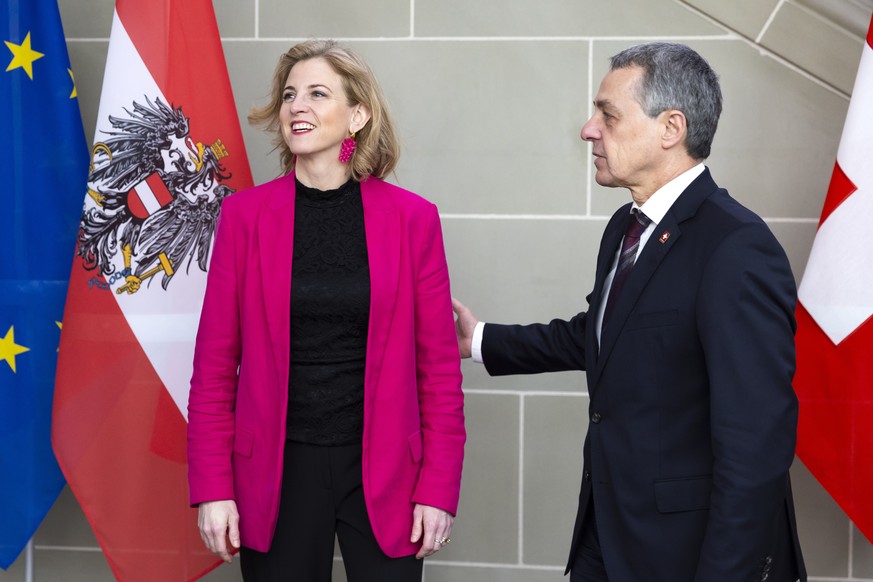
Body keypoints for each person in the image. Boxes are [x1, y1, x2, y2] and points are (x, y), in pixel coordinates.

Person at [453, 42, 806, 581]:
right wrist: (479, 339)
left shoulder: (736, 247)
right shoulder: (626, 226)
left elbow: (756, 447)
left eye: (608, 114)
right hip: (609, 535)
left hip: (688, 554)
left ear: (671, 128)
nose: (588, 130)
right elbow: (606, 335)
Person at [187, 39, 465, 582]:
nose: (298, 106)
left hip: (388, 471)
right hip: (276, 470)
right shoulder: (243, 217)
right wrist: (213, 487)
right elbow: (214, 367)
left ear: (357, 115)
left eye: (317, 93)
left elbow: (438, 371)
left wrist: (438, 487)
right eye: (290, 95)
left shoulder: (413, 220)